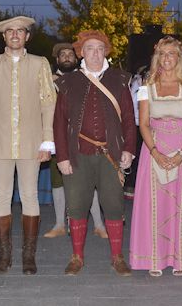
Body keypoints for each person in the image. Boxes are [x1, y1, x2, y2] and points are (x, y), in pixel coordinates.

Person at [0, 16, 56, 275]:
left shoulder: (40, 64)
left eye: (20, 31)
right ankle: (4, 255)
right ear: (4, 37)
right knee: (1, 195)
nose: (15, 35)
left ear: (27, 36)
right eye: (10, 31)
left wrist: (47, 139)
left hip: (32, 141)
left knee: (30, 195)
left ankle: (28, 256)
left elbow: (48, 102)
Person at [53, 30, 136, 276]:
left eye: (100, 48)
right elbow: (59, 123)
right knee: (77, 206)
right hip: (77, 155)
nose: (95, 53)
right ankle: (77, 256)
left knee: (113, 204)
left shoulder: (120, 79)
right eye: (90, 48)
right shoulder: (68, 82)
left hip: (111, 155)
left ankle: (117, 256)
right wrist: (63, 157)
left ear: (106, 51)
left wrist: (129, 149)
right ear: (81, 52)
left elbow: (130, 120)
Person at [128, 36, 182, 277]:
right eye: (162, 53)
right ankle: (155, 256)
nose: (166, 58)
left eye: (171, 53)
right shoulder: (147, 87)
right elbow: (143, 124)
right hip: (154, 148)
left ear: (179, 57)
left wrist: (181, 154)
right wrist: (154, 152)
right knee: (156, 205)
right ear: (157, 57)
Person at [44, 43, 107, 239]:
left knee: (91, 181)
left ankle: (98, 224)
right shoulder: (47, 81)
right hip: (57, 136)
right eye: (62, 55)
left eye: (70, 54)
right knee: (58, 180)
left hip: (83, 138)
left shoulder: (86, 77)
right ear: (57, 60)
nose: (67, 57)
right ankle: (59, 224)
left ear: (77, 57)